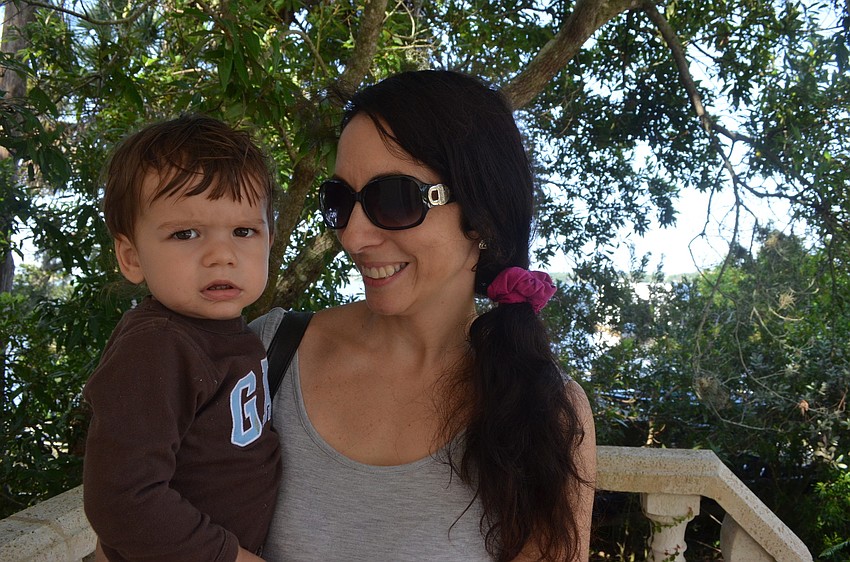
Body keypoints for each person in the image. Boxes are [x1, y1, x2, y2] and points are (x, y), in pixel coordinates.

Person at [252, 70, 596, 561]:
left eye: (393, 199)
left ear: (480, 214)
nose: (352, 237)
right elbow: (144, 522)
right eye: (341, 202)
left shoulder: (545, 411)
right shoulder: (265, 356)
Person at [83, 114, 280, 562]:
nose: (221, 255)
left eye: (243, 231)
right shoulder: (157, 347)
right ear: (132, 258)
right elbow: (121, 497)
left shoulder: (228, 336)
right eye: (185, 233)